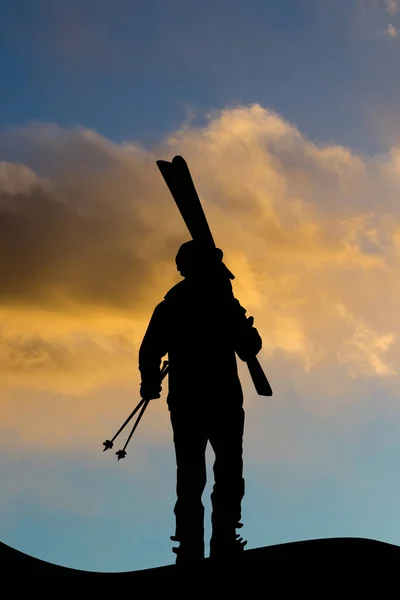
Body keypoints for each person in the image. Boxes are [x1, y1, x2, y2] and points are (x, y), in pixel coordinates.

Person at [138, 240, 262, 563]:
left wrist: (150, 381)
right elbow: (249, 347)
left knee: (197, 474)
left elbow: (150, 349)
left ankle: (197, 544)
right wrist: (149, 379)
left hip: (194, 402)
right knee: (222, 471)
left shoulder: (175, 305)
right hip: (218, 400)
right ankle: (218, 540)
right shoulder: (220, 303)